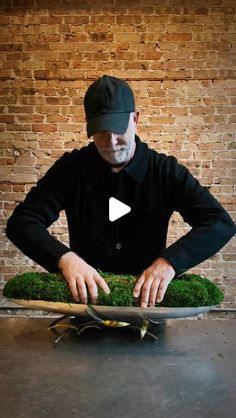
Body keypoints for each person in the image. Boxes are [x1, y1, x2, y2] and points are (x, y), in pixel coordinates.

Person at [6, 75, 235, 308]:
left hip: (148, 314)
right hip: (86, 312)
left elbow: (219, 223)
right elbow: (21, 222)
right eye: (101, 132)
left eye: (118, 130)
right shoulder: (71, 168)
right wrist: (64, 259)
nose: (111, 142)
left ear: (135, 119)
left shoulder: (164, 170)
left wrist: (170, 262)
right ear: (88, 124)